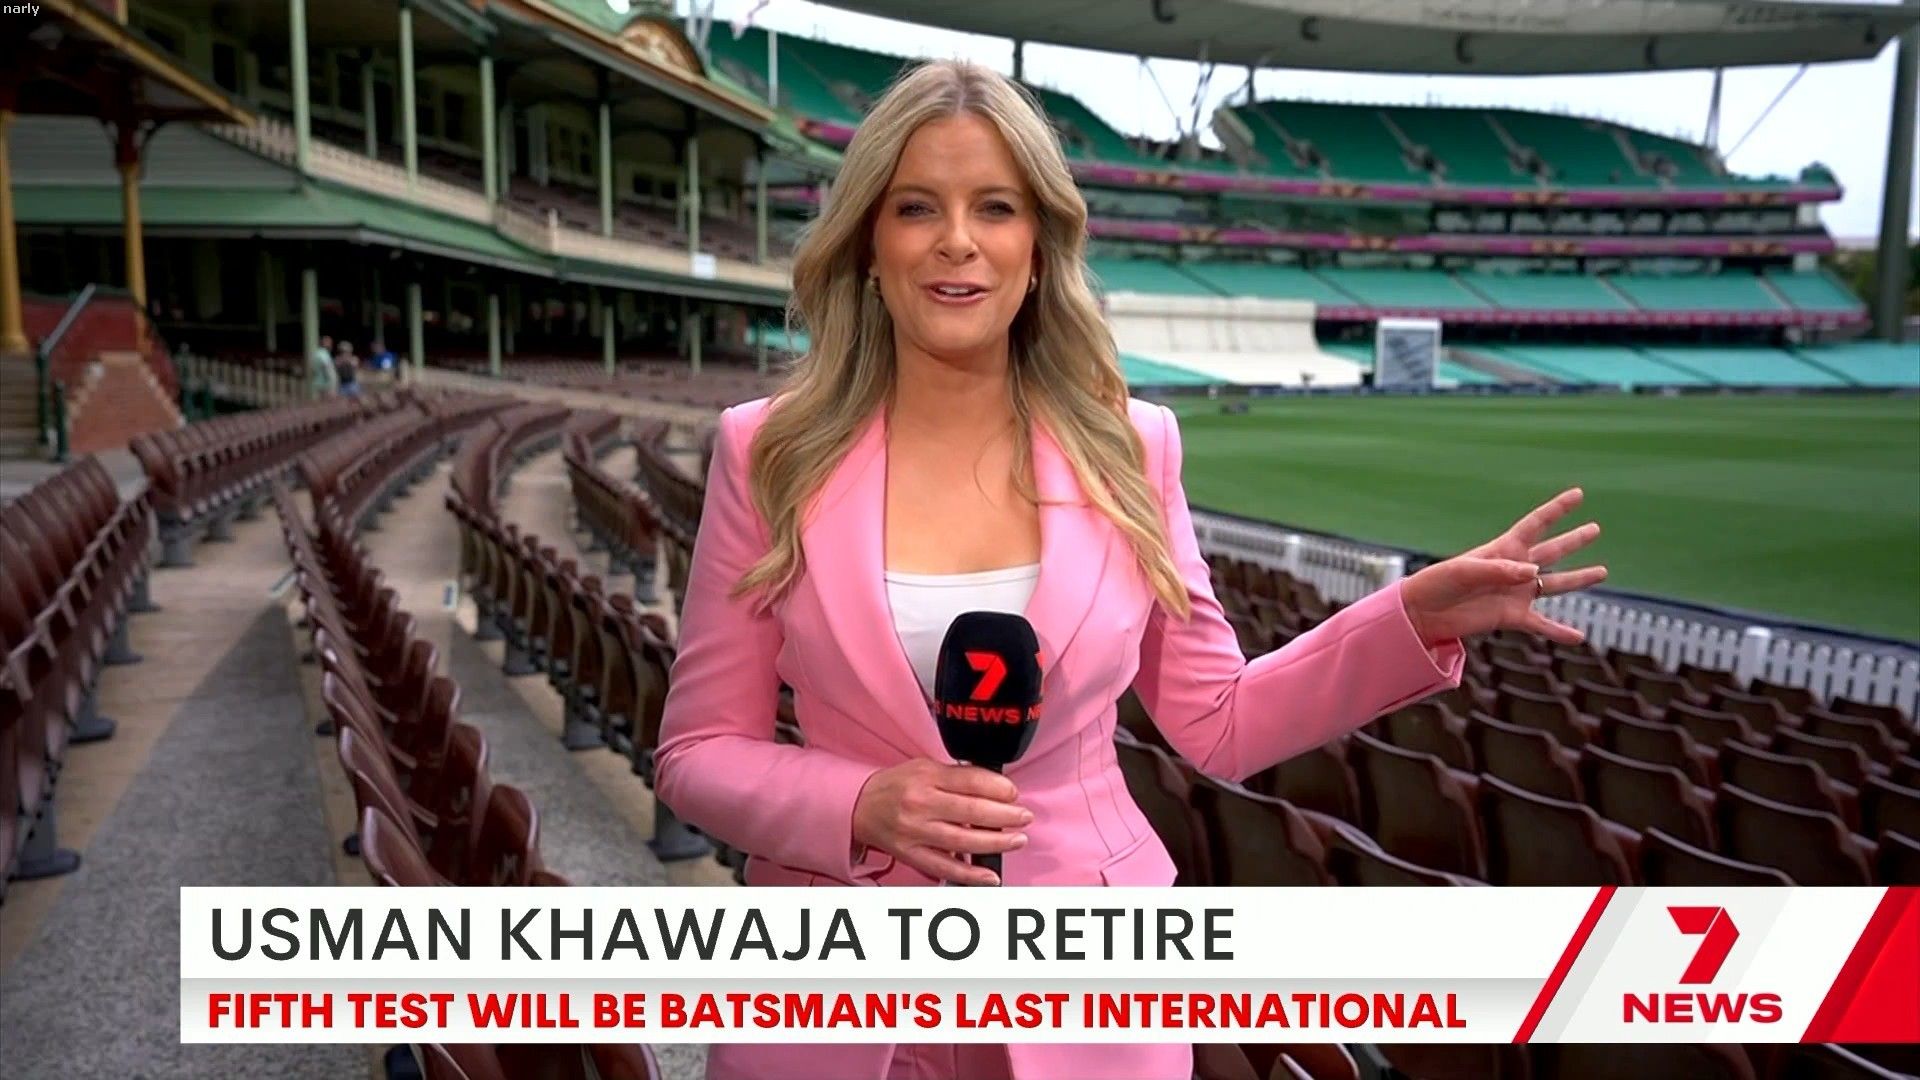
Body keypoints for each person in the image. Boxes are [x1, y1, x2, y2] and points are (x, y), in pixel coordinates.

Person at [653, 60, 1606, 1080]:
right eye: (916, 207)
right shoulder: (767, 451)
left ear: (1037, 246)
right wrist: (857, 805)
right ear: (869, 245)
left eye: (996, 208)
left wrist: (1413, 616)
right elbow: (698, 750)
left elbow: (1220, 722)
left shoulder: (1132, 447)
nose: (957, 240)